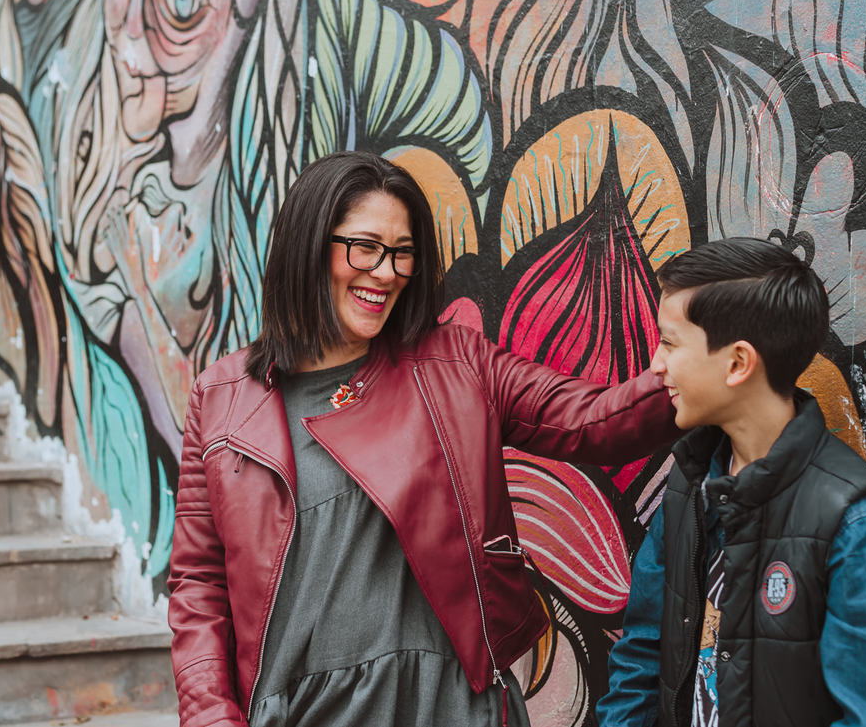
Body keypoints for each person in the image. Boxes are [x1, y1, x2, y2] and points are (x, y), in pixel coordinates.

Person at [167, 151, 682, 727]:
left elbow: (596, 421)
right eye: (364, 247)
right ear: (309, 245)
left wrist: (704, 357)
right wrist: (211, 714)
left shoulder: (457, 365)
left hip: (445, 705)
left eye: (402, 253)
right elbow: (199, 584)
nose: (385, 272)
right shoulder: (222, 399)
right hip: (297, 711)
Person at [595, 237, 866, 727]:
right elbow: (644, 654)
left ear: (737, 363)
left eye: (670, 342)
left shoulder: (853, 523)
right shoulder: (691, 483)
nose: (656, 364)